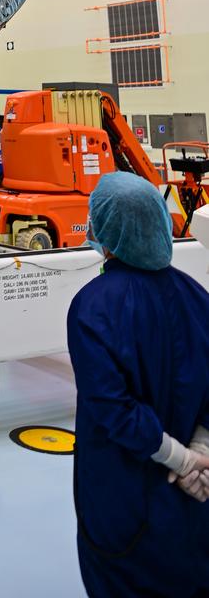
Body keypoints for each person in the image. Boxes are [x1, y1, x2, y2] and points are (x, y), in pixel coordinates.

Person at [67, 171, 209, 598]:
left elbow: (113, 408)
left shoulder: (93, 307)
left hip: (121, 493)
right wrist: (200, 451)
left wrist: (181, 460)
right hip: (190, 497)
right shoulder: (197, 296)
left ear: (104, 230)